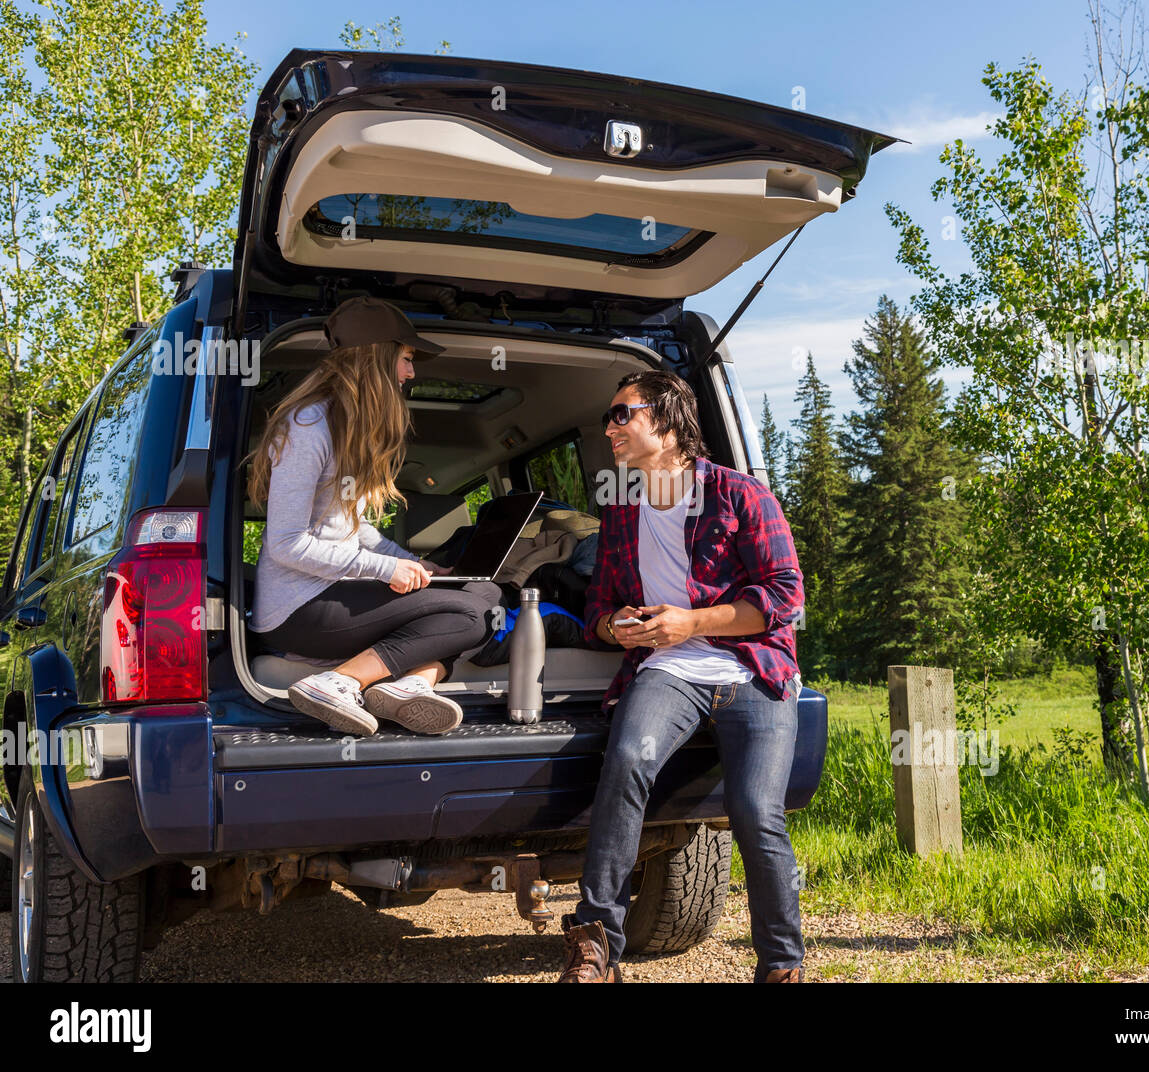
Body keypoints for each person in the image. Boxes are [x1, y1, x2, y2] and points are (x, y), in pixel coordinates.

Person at [556, 370, 806, 983]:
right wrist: (617, 628)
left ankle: (782, 966)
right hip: (666, 672)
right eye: (609, 416)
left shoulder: (742, 495)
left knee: (754, 809)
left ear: (666, 423)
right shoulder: (620, 512)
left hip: (753, 671)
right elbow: (597, 609)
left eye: (622, 414)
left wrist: (692, 622)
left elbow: (786, 597)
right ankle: (596, 950)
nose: (609, 427)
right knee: (627, 765)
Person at [246, 296, 501, 738]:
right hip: (296, 609)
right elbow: (285, 544)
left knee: (487, 595)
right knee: (467, 616)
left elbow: (354, 529)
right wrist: (385, 569)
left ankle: (410, 686)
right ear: (376, 355)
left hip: (332, 595)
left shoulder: (349, 426)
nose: (411, 372)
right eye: (405, 358)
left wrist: (412, 563)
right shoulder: (308, 426)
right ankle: (337, 682)